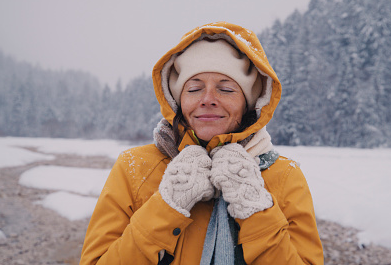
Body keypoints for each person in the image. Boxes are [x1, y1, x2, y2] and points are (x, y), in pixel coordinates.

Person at [80, 21, 324, 264]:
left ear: (248, 103)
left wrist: (253, 206)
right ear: (178, 101)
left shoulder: (285, 176)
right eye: (194, 89)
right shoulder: (134, 167)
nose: (208, 99)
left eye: (226, 90)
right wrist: (168, 205)